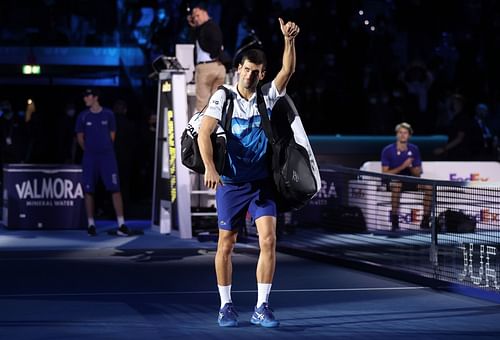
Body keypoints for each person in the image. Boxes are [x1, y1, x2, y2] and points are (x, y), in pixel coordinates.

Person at [197, 17, 299, 328]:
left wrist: (289, 40)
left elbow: (288, 71)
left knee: (268, 240)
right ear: (238, 69)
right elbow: (204, 133)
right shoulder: (223, 97)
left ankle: (261, 306)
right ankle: (226, 306)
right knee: (225, 244)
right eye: (246, 69)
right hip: (230, 183)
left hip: (261, 184)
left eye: (256, 71)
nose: (250, 75)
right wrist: (211, 167)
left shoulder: (267, 96)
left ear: (261, 74)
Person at [75, 88, 129, 237]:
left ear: (95, 97)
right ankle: (91, 224)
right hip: (90, 157)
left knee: (115, 188)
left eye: (88, 96)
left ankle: (121, 224)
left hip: (107, 157)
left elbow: (112, 135)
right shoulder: (83, 116)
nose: (85, 98)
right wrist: (90, 150)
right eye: (84, 96)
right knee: (88, 190)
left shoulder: (108, 114)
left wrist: (103, 149)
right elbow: (80, 137)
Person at [381, 122, 433, 231]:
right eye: (400, 132)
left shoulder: (414, 149)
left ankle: (425, 221)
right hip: (393, 182)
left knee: (429, 187)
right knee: (397, 185)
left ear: (409, 135)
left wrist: (411, 167)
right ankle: (395, 222)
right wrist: (403, 166)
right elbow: (385, 173)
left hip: (410, 181)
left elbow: (418, 174)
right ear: (396, 134)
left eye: (405, 133)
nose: (403, 135)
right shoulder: (388, 150)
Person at [187, 2, 226, 112]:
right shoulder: (210, 27)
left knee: (203, 105)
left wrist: (215, 54)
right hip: (218, 66)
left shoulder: (207, 28)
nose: (196, 19)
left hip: (207, 68)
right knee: (216, 104)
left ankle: (203, 129)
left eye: (197, 16)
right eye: (194, 17)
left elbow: (216, 44)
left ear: (205, 13)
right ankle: (213, 128)